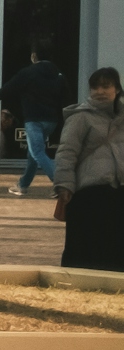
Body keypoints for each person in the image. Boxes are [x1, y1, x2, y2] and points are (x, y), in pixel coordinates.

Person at [60, 70, 124, 272]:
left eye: (106, 86)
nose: (100, 91)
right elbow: (66, 152)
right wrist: (64, 184)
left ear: (117, 89)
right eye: (95, 87)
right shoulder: (81, 117)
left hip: (118, 189)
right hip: (88, 191)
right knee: (87, 242)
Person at [4, 41, 72, 197]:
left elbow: (11, 86)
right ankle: (23, 185)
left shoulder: (29, 72)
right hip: (51, 121)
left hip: (33, 119)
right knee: (32, 154)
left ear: (33, 56)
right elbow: (66, 95)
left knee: (37, 152)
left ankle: (61, 183)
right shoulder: (58, 74)